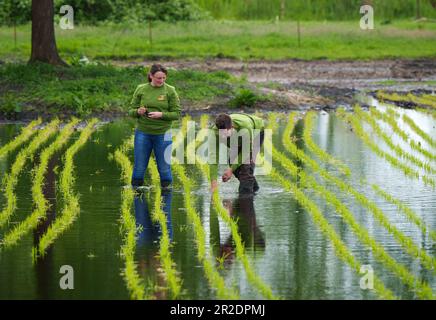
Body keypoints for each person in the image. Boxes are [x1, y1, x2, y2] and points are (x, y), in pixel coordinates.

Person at [128, 64, 181, 189]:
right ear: (151, 76)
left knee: (164, 168)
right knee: (139, 167)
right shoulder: (141, 89)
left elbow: (177, 114)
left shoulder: (170, 90)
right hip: (143, 133)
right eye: (158, 78)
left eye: (163, 78)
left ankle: (165, 198)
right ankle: (136, 194)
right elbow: (131, 111)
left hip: (163, 134)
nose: (161, 81)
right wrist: (138, 112)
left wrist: (161, 114)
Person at [209, 113, 265, 194]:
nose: (223, 137)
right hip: (237, 136)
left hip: (256, 131)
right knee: (232, 161)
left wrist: (230, 170)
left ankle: (245, 199)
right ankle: (254, 188)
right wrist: (213, 183)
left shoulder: (245, 127)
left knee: (246, 168)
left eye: (226, 133)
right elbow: (213, 157)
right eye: (221, 134)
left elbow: (245, 152)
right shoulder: (214, 132)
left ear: (232, 127)